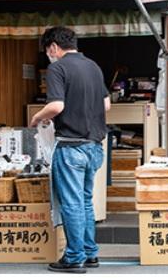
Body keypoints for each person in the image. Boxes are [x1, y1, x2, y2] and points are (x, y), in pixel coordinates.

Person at [30, 27, 110, 274]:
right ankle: (90, 252)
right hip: (95, 146)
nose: (49, 56)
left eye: (47, 51)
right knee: (85, 201)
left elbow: (55, 105)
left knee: (72, 203)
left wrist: (36, 118)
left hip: (71, 145)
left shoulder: (58, 67)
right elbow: (106, 104)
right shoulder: (93, 66)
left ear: (53, 47)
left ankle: (74, 257)